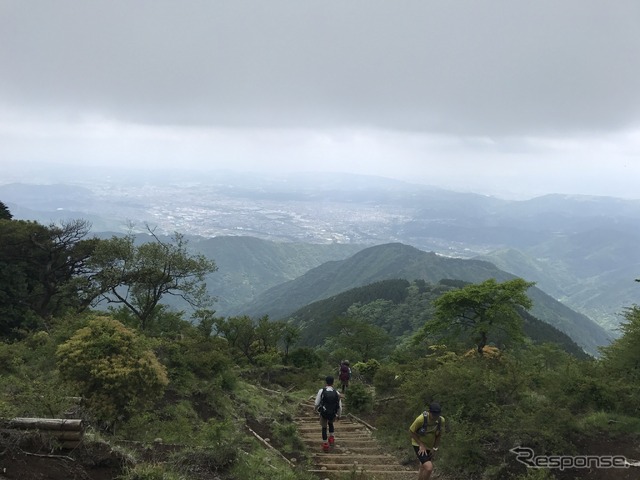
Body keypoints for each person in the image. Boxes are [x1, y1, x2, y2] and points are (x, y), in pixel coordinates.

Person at [409, 402, 445, 480]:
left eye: (437, 415)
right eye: (433, 415)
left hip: (430, 445)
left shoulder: (441, 421)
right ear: (429, 412)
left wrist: (435, 448)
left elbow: (438, 435)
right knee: (429, 468)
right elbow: (411, 431)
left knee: (423, 467)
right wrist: (421, 444)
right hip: (418, 444)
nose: (435, 417)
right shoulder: (421, 419)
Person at [314, 375, 342, 452]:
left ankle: (325, 443)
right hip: (333, 412)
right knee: (330, 423)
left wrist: (315, 409)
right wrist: (339, 415)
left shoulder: (321, 391)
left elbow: (316, 403)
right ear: (333, 382)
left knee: (324, 427)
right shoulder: (336, 392)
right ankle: (332, 438)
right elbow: (339, 406)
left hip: (324, 412)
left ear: (326, 382)